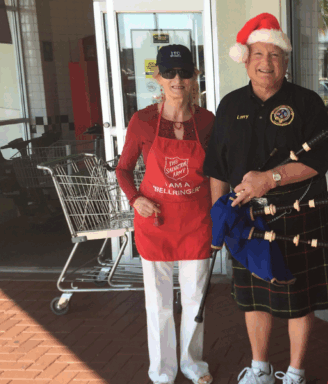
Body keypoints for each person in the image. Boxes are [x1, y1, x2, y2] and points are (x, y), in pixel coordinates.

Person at [204, 13, 328, 384]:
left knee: (299, 298)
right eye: (259, 54)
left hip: (298, 216)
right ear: (246, 59)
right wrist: (220, 215)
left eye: (276, 55)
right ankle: (261, 369)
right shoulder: (229, 105)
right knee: (253, 298)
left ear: (286, 61)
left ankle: (295, 372)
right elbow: (217, 166)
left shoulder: (309, 102)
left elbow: (317, 162)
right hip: (246, 219)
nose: (267, 63)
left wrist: (270, 178)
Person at [116, 44, 215, 384]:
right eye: (170, 73)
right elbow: (123, 170)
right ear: (157, 77)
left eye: (185, 72)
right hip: (155, 222)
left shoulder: (207, 122)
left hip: (196, 222)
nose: (177, 79)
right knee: (158, 303)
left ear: (194, 77)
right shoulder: (142, 121)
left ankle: (191, 364)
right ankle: (161, 371)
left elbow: (219, 172)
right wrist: (135, 200)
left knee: (194, 300)